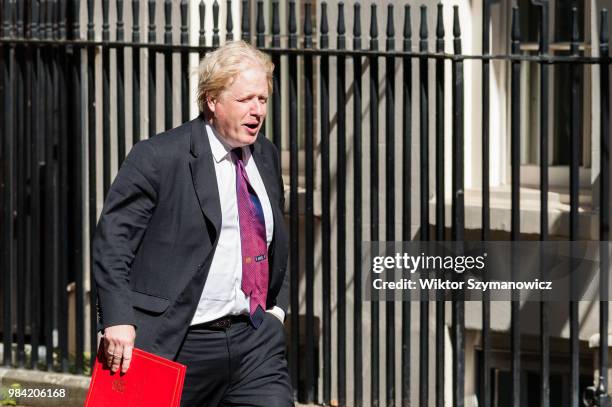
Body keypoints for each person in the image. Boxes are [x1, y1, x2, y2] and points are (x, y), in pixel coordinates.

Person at [92, 40, 292, 407]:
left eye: (262, 100)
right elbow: (113, 245)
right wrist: (117, 319)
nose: (257, 110)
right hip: (178, 341)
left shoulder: (264, 153)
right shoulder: (158, 157)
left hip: (254, 341)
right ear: (213, 101)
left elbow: (273, 237)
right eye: (246, 99)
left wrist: (277, 311)